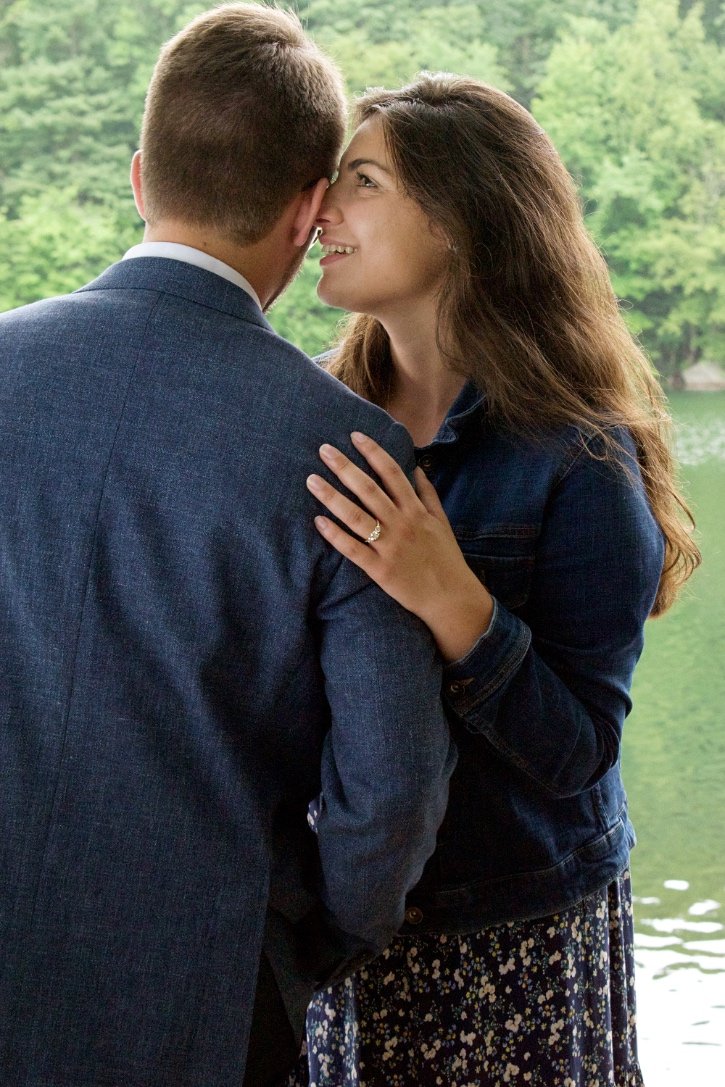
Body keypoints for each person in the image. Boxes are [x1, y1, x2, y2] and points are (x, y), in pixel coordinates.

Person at [0, 11, 457, 1086]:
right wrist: (306, 948)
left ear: (138, 175)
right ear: (309, 212)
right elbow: (386, 796)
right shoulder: (352, 450)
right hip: (208, 997)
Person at [290, 74, 701, 1086]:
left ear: (461, 215)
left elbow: (577, 751)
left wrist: (450, 597)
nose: (319, 208)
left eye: (362, 180)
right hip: (343, 923)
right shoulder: (305, 419)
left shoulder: (578, 457)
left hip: (513, 933)